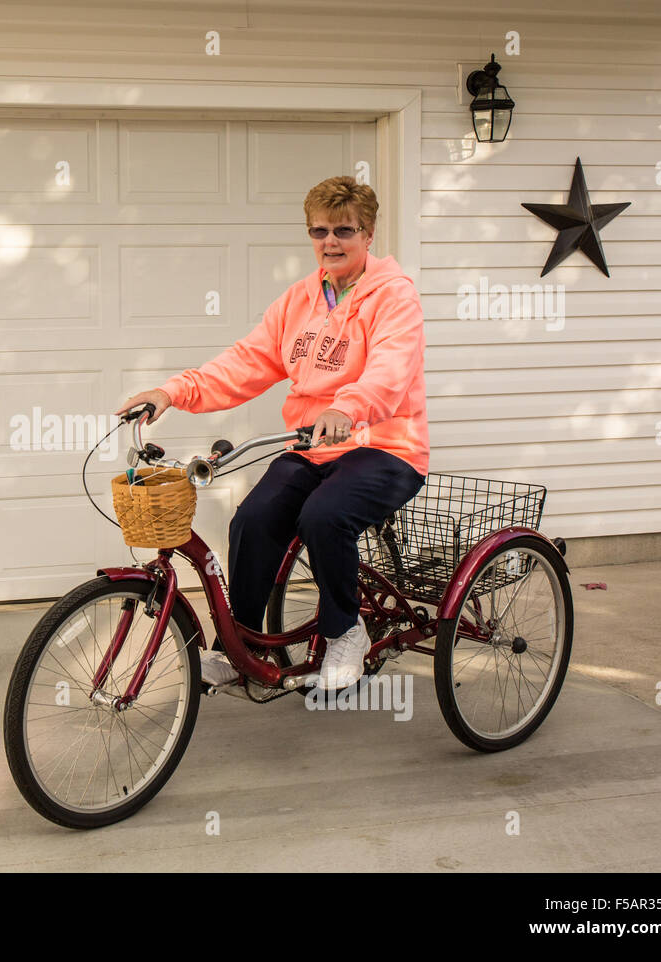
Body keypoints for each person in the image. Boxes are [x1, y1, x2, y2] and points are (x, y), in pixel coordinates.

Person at [116, 175, 429, 691]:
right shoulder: (299, 302)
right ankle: (242, 646)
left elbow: (391, 372)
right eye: (319, 231)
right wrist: (172, 392)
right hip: (311, 447)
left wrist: (347, 409)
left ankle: (343, 631)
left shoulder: (393, 297)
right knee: (253, 520)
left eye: (344, 230)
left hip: (384, 447)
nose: (330, 241)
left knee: (324, 516)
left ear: (368, 235)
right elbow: (244, 363)